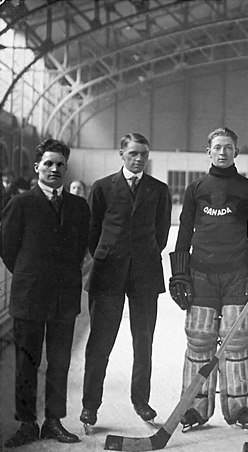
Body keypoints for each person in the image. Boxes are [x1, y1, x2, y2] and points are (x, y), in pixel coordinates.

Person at [170, 127, 248, 431]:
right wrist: (179, 274)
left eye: (228, 147)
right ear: (208, 151)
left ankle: (241, 409)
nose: (223, 152)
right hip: (201, 273)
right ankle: (194, 409)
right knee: (199, 339)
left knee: (237, 340)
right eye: (217, 147)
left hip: (237, 274)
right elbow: (184, 231)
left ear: (236, 152)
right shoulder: (196, 188)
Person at [79, 133, 171, 430]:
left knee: (143, 341)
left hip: (144, 273)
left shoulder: (159, 189)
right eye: (133, 153)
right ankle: (90, 406)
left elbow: (162, 233)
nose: (139, 158)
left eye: (144, 153)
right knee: (100, 342)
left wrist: (141, 256)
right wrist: (109, 256)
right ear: (122, 154)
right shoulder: (103, 187)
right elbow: (93, 232)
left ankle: (140, 401)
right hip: (108, 272)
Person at [1, 139, 89, 447]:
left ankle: (53, 421)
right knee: (27, 361)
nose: (54, 168)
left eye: (60, 164)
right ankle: (27, 424)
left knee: (60, 360)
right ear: (37, 167)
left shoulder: (79, 206)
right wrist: (31, 275)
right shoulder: (21, 203)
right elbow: (8, 249)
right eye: (48, 163)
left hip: (64, 296)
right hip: (30, 295)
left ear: (66, 168)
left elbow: (80, 248)